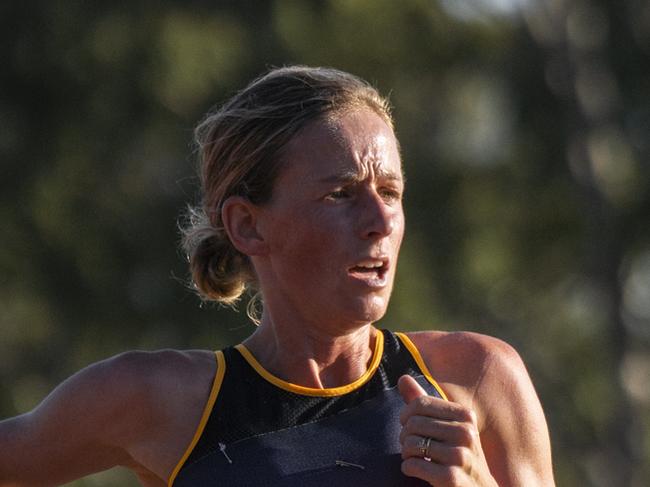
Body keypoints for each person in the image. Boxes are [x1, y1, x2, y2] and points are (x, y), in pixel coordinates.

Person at [0, 66, 555, 487]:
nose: (381, 219)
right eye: (341, 194)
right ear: (248, 226)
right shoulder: (160, 401)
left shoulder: (478, 380)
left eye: (390, 192)